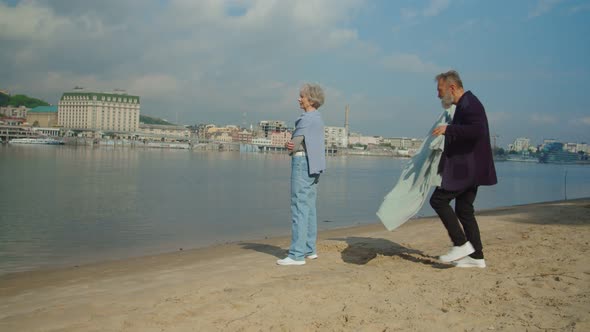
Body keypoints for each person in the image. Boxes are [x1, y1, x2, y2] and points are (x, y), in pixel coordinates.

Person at [430, 70, 497, 268]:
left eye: (440, 90)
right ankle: (477, 258)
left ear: (452, 87)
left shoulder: (470, 104)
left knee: (438, 200)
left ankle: (460, 244)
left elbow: (477, 131)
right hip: (472, 169)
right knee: (464, 210)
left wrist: (448, 129)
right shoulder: (464, 105)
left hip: (467, 169)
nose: (438, 95)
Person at [277, 83, 326, 266]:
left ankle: (297, 254)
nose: (299, 99)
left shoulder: (306, 118)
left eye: (302, 96)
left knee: (299, 207)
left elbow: (295, 144)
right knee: (310, 208)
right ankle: (309, 249)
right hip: (315, 166)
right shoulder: (319, 118)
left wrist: (288, 145)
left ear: (311, 99)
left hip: (302, 164)